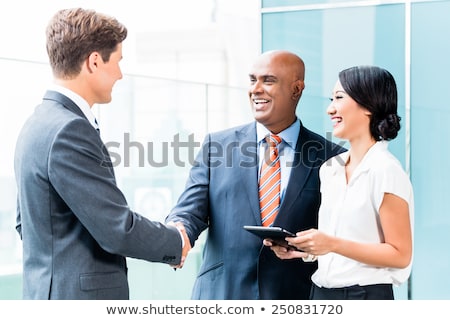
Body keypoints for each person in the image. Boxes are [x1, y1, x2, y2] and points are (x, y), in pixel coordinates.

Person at [14, 8, 190, 300]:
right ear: (94, 61)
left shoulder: (37, 123)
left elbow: (27, 223)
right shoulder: (70, 130)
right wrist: (175, 242)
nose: (120, 74)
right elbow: (117, 229)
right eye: (118, 61)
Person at [165, 50, 346, 299]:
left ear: (296, 89)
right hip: (223, 294)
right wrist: (178, 232)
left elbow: (341, 236)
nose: (256, 89)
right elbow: (189, 211)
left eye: (268, 80)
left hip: (296, 296)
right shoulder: (216, 146)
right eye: (252, 80)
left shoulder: (333, 158)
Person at [265, 65, 414, 300]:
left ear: (368, 105)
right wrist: (306, 250)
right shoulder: (330, 170)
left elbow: (399, 254)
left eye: (338, 98)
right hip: (322, 295)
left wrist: (332, 244)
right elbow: (341, 241)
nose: (330, 109)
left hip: (364, 297)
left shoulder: (386, 171)